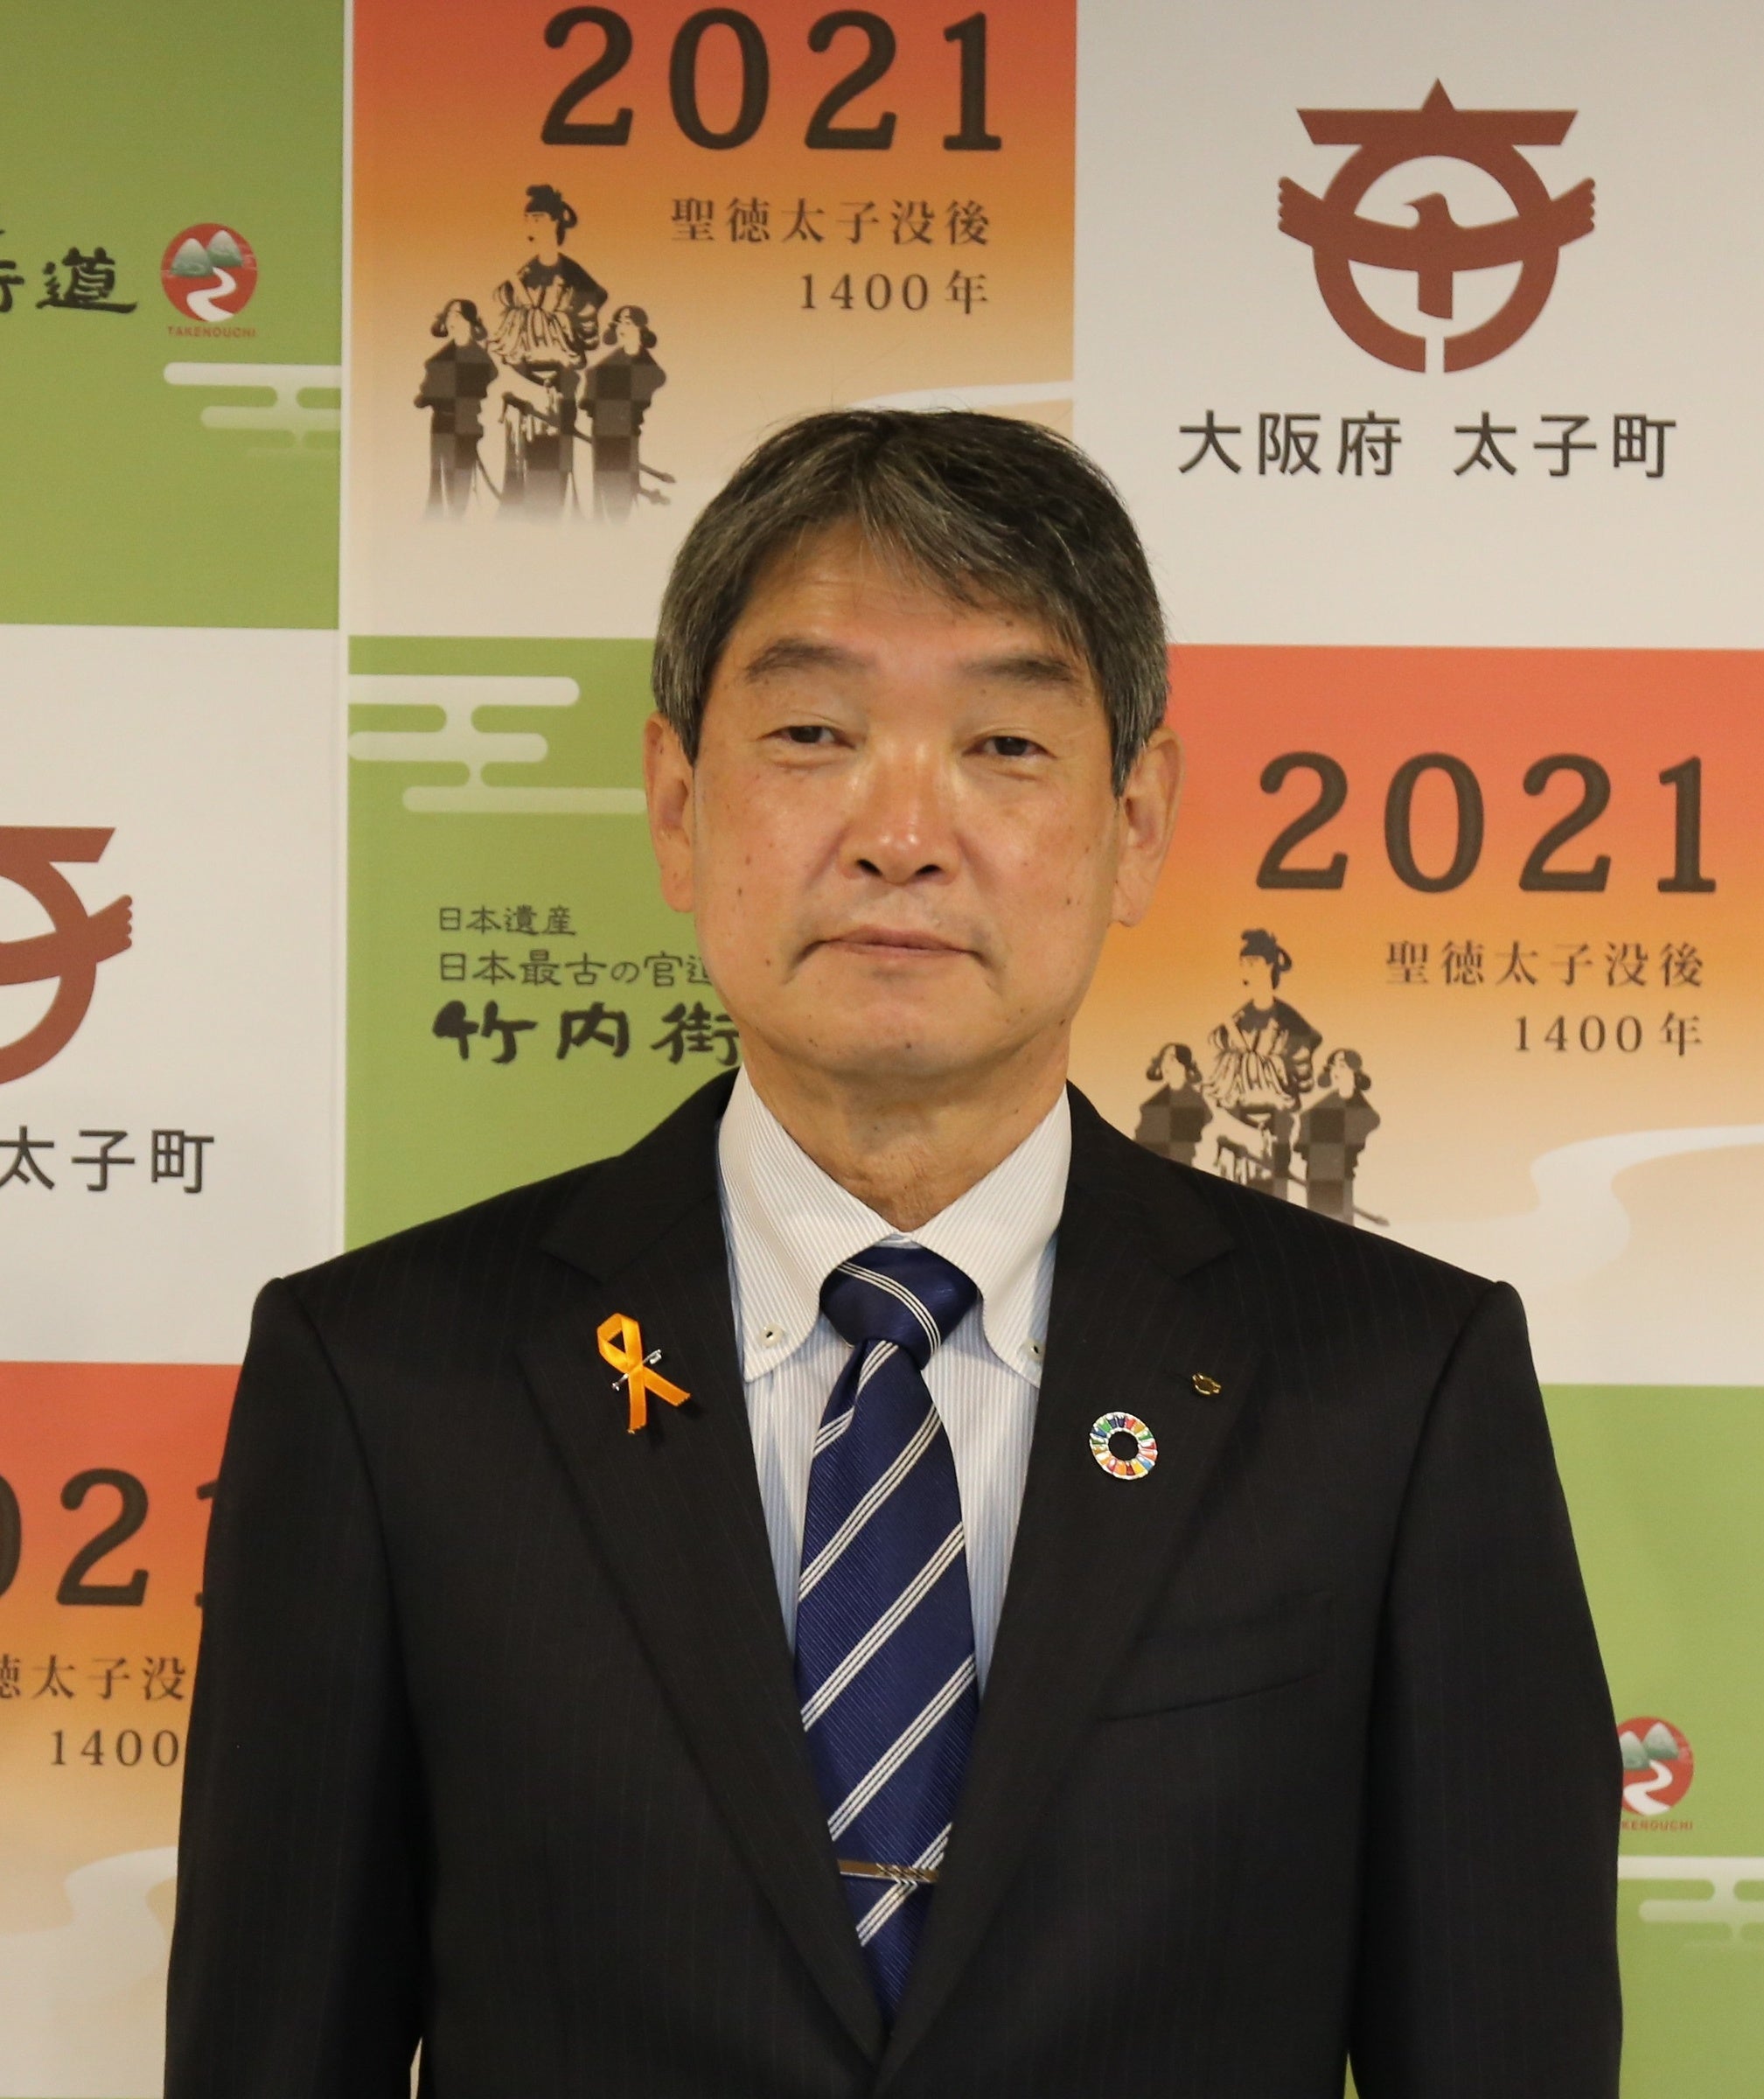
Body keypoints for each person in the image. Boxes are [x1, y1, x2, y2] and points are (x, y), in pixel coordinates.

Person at [165, 410, 1620, 2098]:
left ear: (1138, 819)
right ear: (675, 806)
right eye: (813, 733)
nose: (901, 833)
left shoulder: (1388, 1387)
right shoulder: (389, 1381)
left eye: (1003, 744)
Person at [492, 184, 606, 515]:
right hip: (523, 378)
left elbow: (590, 311)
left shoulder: (572, 274)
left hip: (557, 380)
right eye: (529, 218)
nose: (532, 224)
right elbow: (504, 302)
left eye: (539, 217)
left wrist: (546, 319)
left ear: (556, 221)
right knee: (520, 464)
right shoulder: (525, 273)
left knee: (553, 463)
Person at [1203, 927, 1321, 1200]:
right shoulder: (1238, 1019)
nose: (1247, 968)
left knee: (1271, 1204)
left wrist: (1259, 1065)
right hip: (1235, 1121)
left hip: (1274, 1124)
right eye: (1243, 963)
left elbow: (1301, 1079)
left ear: (1269, 965)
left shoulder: (1291, 1024)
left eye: (1253, 962)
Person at [582, 302, 668, 520]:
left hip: (626, 433)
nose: (622, 327)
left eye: (628, 322)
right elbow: (589, 399)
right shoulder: (602, 369)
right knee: (605, 489)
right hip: (603, 432)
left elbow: (652, 384)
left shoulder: (651, 371)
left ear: (641, 328)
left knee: (622, 494)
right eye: (619, 322)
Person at [415, 299, 497, 516]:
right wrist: (427, 397)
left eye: (457, 315)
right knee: (440, 476)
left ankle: (457, 521)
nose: (452, 320)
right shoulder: (439, 359)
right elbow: (427, 392)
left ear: (470, 322)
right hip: (441, 422)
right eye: (449, 315)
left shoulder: (481, 359)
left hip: (466, 423)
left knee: (460, 478)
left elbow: (483, 382)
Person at [1295, 1046, 1382, 1224]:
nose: (1336, 1071)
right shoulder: (1318, 1110)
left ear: (1354, 1071)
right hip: (1317, 1174)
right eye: (1333, 1066)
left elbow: (1369, 1123)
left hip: (1341, 1174)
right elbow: (1304, 1130)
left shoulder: (1366, 1113)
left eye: (1342, 1065)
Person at [1132, 1040, 1211, 1165]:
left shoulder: (1196, 1102)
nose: (1166, 1065)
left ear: (1184, 1064)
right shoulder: (1152, 1104)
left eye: (1172, 1059)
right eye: (1164, 1059)